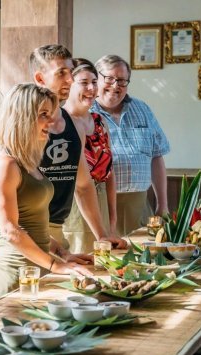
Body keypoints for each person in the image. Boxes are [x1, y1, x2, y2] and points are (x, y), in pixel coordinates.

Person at [0, 83, 93, 300]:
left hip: (38, 268)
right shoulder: (5, 164)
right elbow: (10, 230)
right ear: (21, 117)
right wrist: (56, 266)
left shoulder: (27, 161)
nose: (51, 121)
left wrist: (63, 255)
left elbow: (35, 229)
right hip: (16, 273)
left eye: (50, 113)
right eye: (43, 114)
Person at [29, 45, 125, 253]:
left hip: (57, 228)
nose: (70, 80)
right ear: (40, 78)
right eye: (61, 73)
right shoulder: (23, 121)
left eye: (70, 72)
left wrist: (102, 236)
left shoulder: (72, 123)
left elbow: (83, 185)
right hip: (28, 233)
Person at [91, 54, 171, 235]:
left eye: (121, 80)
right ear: (96, 78)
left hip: (140, 204)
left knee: (144, 257)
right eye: (109, 79)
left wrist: (162, 205)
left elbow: (156, 156)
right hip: (100, 206)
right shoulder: (84, 112)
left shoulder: (142, 108)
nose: (115, 86)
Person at [61, 58, 121, 253]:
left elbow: (110, 173)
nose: (91, 88)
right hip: (75, 209)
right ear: (69, 86)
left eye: (94, 82)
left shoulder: (100, 121)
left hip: (101, 200)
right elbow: (80, 185)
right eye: (84, 82)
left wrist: (112, 222)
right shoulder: (61, 123)